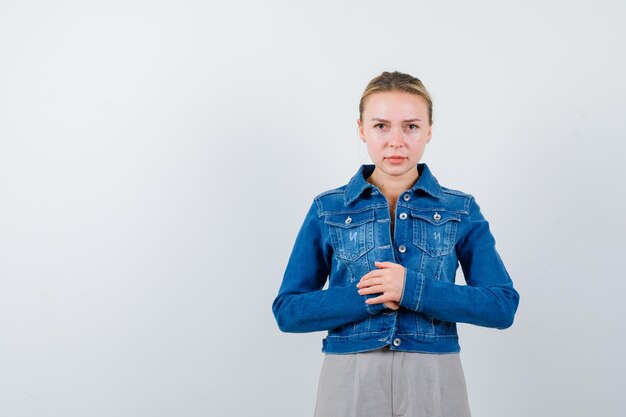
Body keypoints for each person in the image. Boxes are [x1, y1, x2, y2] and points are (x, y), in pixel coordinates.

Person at [272, 71, 520, 417]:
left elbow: (501, 305)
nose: (396, 141)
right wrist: (369, 297)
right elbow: (288, 311)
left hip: (433, 374)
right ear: (361, 129)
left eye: (411, 126)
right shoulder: (328, 209)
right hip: (350, 375)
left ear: (430, 130)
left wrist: (411, 290)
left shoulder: (460, 209)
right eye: (381, 126)